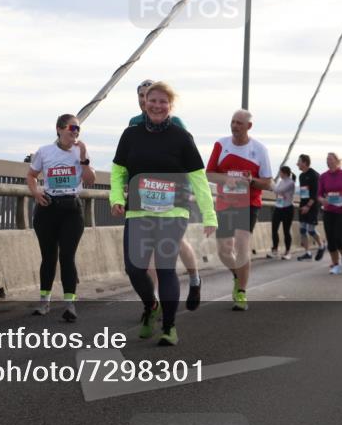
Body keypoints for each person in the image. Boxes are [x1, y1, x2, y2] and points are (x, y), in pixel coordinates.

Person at [109, 82, 217, 346]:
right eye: (152, 100)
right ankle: (151, 306)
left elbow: (198, 179)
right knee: (134, 269)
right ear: (144, 102)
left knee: (166, 268)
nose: (157, 106)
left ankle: (169, 326)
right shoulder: (130, 134)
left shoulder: (181, 137)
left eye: (163, 102)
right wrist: (115, 197)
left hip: (173, 211)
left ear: (171, 106)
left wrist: (209, 214)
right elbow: (118, 171)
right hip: (138, 211)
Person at [129, 79, 203, 310]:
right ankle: (156, 304)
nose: (144, 100)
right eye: (141, 96)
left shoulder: (176, 122)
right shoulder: (134, 123)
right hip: (145, 196)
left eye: (147, 96)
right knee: (147, 253)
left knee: (177, 243)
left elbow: (188, 157)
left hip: (173, 195)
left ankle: (194, 279)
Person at [26, 114, 96, 321]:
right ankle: (44, 302)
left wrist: (83, 157)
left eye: (78, 129)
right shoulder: (44, 151)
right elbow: (31, 175)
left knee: (67, 256)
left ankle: (69, 305)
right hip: (48, 207)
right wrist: (36, 192)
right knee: (48, 256)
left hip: (71, 210)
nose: (75, 132)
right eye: (72, 128)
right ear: (59, 129)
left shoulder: (80, 152)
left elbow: (91, 180)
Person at [205, 110, 273, 311]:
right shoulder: (221, 144)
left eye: (239, 123)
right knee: (224, 251)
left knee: (242, 245)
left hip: (249, 203)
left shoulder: (259, 149)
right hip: (226, 203)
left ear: (248, 127)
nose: (234, 126)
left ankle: (241, 292)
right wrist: (228, 180)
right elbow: (209, 174)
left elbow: (268, 183)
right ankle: (237, 274)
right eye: (232, 122)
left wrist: (251, 181)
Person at [295, 154, 322, 261]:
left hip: (313, 205)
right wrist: (303, 205)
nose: (297, 164)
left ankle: (321, 245)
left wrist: (308, 206)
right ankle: (307, 253)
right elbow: (303, 192)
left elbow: (315, 194)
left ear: (305, 163)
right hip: (303, 203)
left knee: (311, 230)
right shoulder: (301, 176)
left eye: (299, 161)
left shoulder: (314, 175)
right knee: (302, 229)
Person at [268, 166, 296, 259]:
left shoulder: (291, 183)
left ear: (284, 173)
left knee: (286, 230)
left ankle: (288, 252)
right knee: (274, 229)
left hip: (287, 208)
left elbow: (278, 190)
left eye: (280, 172)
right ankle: (275, 250)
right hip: (278, 207)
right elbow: (276, 192)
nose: (279, 174)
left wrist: (271, 182)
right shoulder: (281, 181)